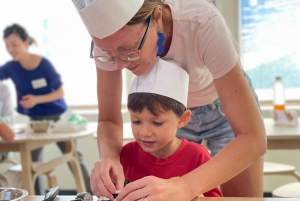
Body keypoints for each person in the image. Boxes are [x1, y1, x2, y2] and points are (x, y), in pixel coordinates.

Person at [72, 0, 266, 200]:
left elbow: (252, 137)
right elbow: (109, 119)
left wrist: (185, 186)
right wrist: (109, 157)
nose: (119, 65)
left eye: (128, 50)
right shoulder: (110, 42)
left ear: (156, 17)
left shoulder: (202, 22)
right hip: (168, 117)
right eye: (108, 54)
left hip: (225, 110)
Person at [0, 24, 91, 194]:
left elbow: (60, 92)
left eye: (14, 44)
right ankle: (36, 197)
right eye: (7, 46)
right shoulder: (11, 68)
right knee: (31, 164)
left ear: (26, 43)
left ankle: (91, 195)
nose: (11, 49)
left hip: (58, 119)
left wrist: (36, 99)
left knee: (74, 157)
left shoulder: (43, 64)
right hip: (36, 122)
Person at [121, 58, 222, 199]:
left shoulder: (197, 157)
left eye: (157, 123)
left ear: (182, 119)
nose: (144, 132)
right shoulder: (127, 154)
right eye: (136, 121)